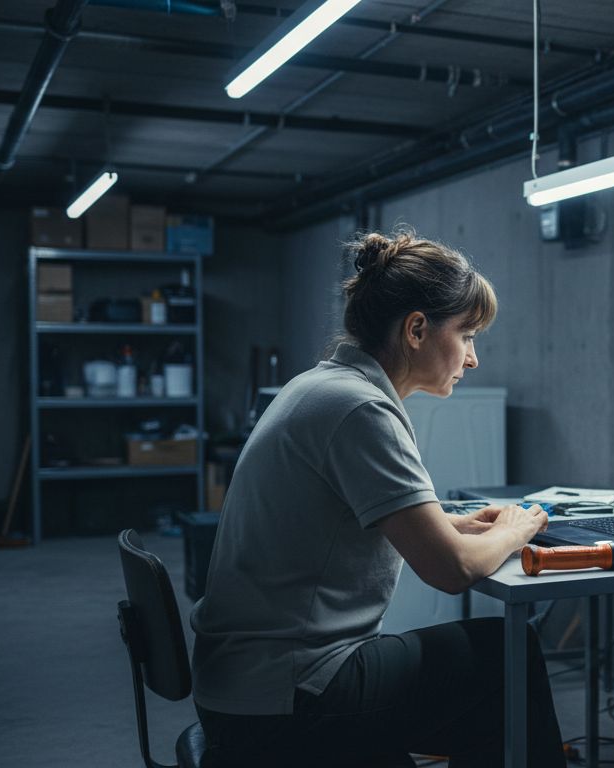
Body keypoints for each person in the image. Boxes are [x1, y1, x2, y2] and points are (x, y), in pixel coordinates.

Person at [190, 228, 565, 767]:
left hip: (243, 684)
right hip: (288, 696)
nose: (473, 358)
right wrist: (518, 527)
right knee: (509, 658)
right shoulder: (361, 410)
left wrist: (450, 521)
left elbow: (343, 520)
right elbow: (452, 570)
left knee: (478, 684)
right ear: (417, 329)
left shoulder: (322, 387)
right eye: (468, 335)